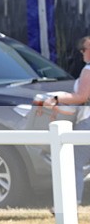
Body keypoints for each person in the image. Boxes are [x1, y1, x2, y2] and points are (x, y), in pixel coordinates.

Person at [41, 35, 90, 206]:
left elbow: (81, 96)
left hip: (87, 122)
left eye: (83, 50)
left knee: (74, 162)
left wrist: (57, 97)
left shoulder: (88, 70)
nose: (82, 53)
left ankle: (70, 203)